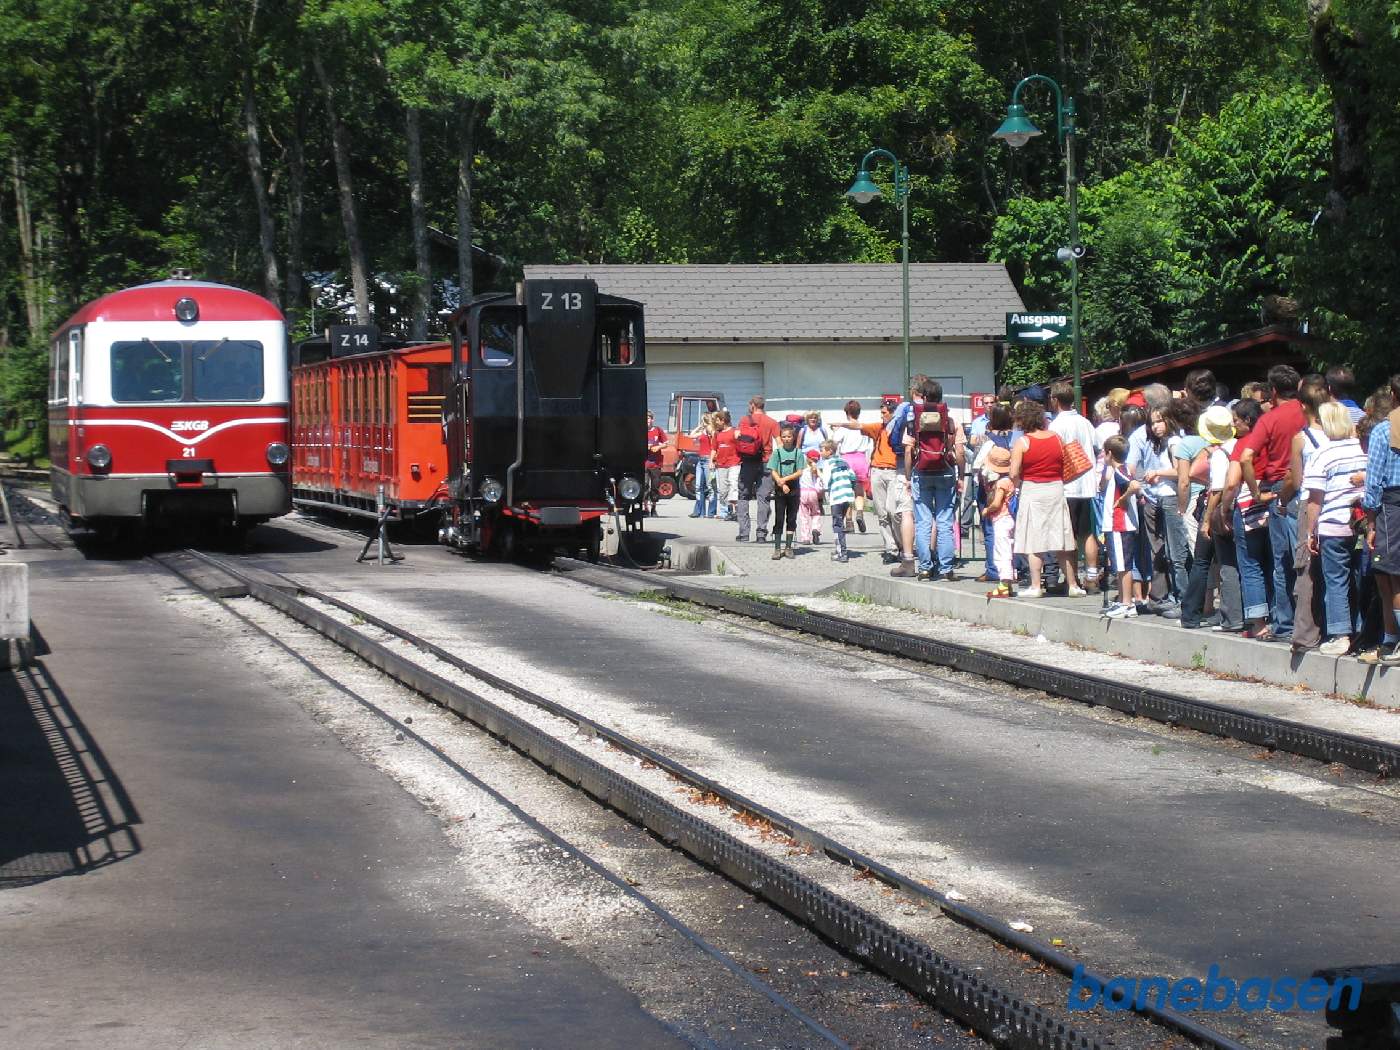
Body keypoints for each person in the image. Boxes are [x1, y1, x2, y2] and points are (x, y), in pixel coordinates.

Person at [1237, 365, 1306, 643]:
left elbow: (1246, 457)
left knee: (1283, 560)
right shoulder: (1309, 412)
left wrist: (1254, 492)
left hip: (1280, 489)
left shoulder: (1269, 419)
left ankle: (1286, 623)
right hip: (1310, 485)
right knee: (1308, 557)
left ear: (1273, 391)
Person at [1305, 402, 1368, 655]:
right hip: (1362, 524)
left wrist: (1311, 531)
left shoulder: (1323, 453)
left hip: (1333, 525)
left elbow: (1315, 498)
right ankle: (1364, 631)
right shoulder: (1363, 449)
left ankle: (1341, 634)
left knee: (1336, 581)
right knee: (1362, 578)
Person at [1279, 376, 1333, 651]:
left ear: (1303, 406)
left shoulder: (1301, 438)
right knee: (1335, 570)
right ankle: (1336, 628)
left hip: (1308, 504)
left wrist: (1280, 499)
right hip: (1334, 504)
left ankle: (1304, 634)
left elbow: (1296, 480)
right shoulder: (1338, 433)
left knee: (1306, 570)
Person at [1009, 399, 1080, 598]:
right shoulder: (1056, 438)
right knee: (1062, 540)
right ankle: (1073, 584)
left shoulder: (1022, 442)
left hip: (1033, 489)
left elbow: (1014, 472)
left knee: (1034, 540)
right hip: (1056, 488)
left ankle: (1035, 586)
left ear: (1022, 420)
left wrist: (1016, 486)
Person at [1182, 406, 1243, 631]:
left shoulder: (1218, 455)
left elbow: (1216, 490)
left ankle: (1191, 613)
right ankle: (1231, 613)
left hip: (1219, 512)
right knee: (1231, 563)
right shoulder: (1238, 446)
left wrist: (1206, 521)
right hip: (1238, 507)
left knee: (1203, 562)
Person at [1219, 399, 1273, 638]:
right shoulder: (1270, 440)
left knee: (1250, 565)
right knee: (1274, 564)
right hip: (1272, 502)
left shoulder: (1243, 444)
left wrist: (1224, 508)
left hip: (1248, 505)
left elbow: (1231, 482)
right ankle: (1281, 618)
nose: (1233, 425)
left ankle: (1258, 624)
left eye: (1236, 421)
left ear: (1248, 420)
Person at [905, 379, 966, 581]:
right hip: (945, 472)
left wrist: (908, 477)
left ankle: (924, 567)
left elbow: (907, 451)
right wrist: (961, 475)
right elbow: (959, 451)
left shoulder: (914, 419)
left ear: (923, 397)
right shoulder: (949, 420)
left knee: (922, 522)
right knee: (944, 521)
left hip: (921, 472)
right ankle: (946, 568)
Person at [834, 399, 907, 564]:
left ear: (893, 413)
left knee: (894, 511)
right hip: (877, 471)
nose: (882, 415)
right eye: (881, 412)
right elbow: (859, 426)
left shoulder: (901, 429)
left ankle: (903, 545)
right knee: (882, 513)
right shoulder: (879, 427)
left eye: (885, 412)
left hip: (895, 472)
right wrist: (843, 424)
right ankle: (891, 549)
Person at [1360, 374, 1400, 665]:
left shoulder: (1384, 431)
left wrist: (1370, 520)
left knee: (1391, 576)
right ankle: (1389, 640)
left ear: (1393, 396)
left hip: (1392, 504)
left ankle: (1394, 641)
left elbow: (1373, 480)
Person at [1048, 381, 1102, 587]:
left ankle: (1072, 579)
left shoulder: (1055, 426)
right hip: (1087, 485)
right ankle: (1091, 575)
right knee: (1088, 532)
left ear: (1055, 400)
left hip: (1067, 486)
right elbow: (1098, 446)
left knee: (1067, 534)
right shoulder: (1085, 422)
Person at [971, 401, 1016, 583]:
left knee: (991, 528)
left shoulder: (987, 439)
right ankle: (1014, 568)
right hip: (1013, 486)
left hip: (991, 488)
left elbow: (976, 465)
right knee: (1012, 529)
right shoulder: (1016, 438)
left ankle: (993, 569)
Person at [1099, 434, 1142, 618]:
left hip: (1120, 524)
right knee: (1119, 564)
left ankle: (1127, 603)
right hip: (1116, 525)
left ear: (1109, 453)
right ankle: (1123, 600)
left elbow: (1134, 485)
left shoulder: (1120, 471)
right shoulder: (1115, 471)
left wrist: (1123, 500)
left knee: (1124, 566)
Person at [734, 396, 781, 543]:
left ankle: (744, 534)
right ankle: (761, 533)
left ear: (752, 405)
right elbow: (779, 443)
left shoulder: (744, 420)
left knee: (743, 497)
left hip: (748, 462)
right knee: (764, 498)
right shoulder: (772, 422)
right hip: (766, 462)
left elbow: (736, 436)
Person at [766, 422, 804, 559]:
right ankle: (777, 548)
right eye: (784, 437)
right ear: (780, 438)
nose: (787, 439)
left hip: (794, 488)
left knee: (792, 518)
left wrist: (786, 479)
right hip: (780, 489)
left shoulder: (798, 453)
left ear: (793, 438)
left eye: (789, 436)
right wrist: (781, 483)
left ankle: (788, 547)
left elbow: (800, 471)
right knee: (779, 517)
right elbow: (773, 470)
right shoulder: (777, 453)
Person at [983, 446, 1016, 598]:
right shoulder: (1010, 480)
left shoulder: (1002, 483)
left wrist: (987, 510)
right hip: (1009, 519)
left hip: (1002, 519)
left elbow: (997, 503)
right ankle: (1007, 584)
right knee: (1006, 550)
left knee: (1002, 551)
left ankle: (1004, 583)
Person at [835, 400, 873, 532]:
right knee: (859, 491)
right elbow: (869, 445)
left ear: (847, 413)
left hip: (847, 459)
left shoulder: (844, 427)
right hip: (861, 459)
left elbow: (834, 441)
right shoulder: (862, 426)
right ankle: (860, 513)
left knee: (846, 492)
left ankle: (849, 521)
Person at [819, 440, 859, 563]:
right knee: (840, 523)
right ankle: (839, 549)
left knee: (837, 525)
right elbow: (853, 477)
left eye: (822, 450)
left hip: (836, 497)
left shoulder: (827, 464)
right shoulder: (844, 461)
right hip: (847, 496)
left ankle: (842, 552)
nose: (821, 453)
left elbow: (826, 482)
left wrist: (819, 475)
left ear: (829, 451)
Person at [711, 409, 739, 521]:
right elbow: (714, 448)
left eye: (717, 420)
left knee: (733, 485)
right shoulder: (717, 434)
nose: (716, 422)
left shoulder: (734, 431)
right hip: (721, 464)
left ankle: (736, 511)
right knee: (723, 490)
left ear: (723, 420)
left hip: (734, 463)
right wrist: (710, 462)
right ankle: (729, 510)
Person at [689, 412, 717, 518]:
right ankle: (699, 511)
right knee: (698, 486)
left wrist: (709, 426)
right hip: (700, 459)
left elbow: (714, 437)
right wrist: (699, 427)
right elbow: (691, 435)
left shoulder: (711, 431)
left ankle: (711, 511)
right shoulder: (702, 431)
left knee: (710, 486)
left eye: (703, 420)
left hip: (707, 459)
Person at [796, 448, 824, 546]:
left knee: (804, 516)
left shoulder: (802, 469)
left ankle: (805, 538)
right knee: (815, 513)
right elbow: (822, 480)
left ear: (807, 458)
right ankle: (815, 529)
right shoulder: (816, 470)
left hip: (802, 493)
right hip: (813, 493)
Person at [644, 410, 668, 517]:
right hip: (644, 463)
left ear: (652, 419)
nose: (647, 421)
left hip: (656, 464)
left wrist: (658, 446)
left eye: (648, 418)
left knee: (655, 486)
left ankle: (654, 508)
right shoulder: (640, 431)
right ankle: (645, 508)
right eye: (645, 419)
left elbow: (666, 443)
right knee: (644, 486)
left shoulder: (658, 430)